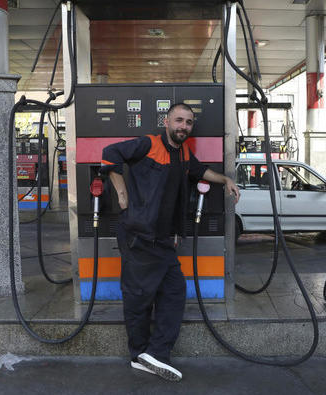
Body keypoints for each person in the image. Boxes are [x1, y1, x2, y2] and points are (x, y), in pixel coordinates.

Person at [102, 103, 240, 381]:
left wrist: (225, 179)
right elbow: (109, 153)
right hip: (140, 235)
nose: (183, 126)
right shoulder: (148, 144)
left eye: (188, 123)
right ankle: (142, 353)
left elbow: (200, 172)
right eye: (179, 120)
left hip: (162, 240)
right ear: (166, 121)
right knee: (139, 297)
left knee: (174, 292)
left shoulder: (184, 153)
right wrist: (122, 193)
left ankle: (151, 354)